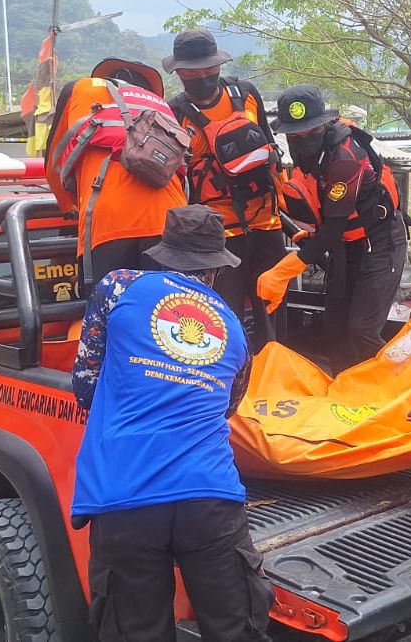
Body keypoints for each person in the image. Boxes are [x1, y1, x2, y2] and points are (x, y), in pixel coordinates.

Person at [70, 205, 273, 642]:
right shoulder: (235, 330)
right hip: (210, 497)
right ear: (218, 268)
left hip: (125, 495)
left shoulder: (118, 286)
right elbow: (227, 407)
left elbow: (85, 382)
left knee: (136, 631)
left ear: (161, 255)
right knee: (236, 629)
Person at [257, 85, 408, 371]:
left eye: (309, 134)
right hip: (346, 246)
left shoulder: (345, 159)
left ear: (325, 126)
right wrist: (304, 235)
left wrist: (284, 270)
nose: (302, 142)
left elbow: (334, 228)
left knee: (362, 330)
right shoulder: (311, 160)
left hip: (379, 243)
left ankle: (403, 384)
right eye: (294, 136)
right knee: (336, 328)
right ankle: (343, 392)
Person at [164, 29, 286, 351]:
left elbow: (270, 146)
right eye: (193, 72)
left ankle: (277, 373)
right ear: (180, 73)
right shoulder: (173, 113)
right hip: (217, 234)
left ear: (218, 65)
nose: (202, 77)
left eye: (209, 70)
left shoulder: (246, 94)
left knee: (273, 306)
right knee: (226, 313)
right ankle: (235, 385)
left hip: (265, 222)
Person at [44, 58, 187, 291]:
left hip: (108, 223)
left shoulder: (80, 89)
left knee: (110, 313)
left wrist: (69, 205)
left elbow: (54, 162)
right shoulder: (162, 106)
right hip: (172, 225)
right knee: (163, 313)